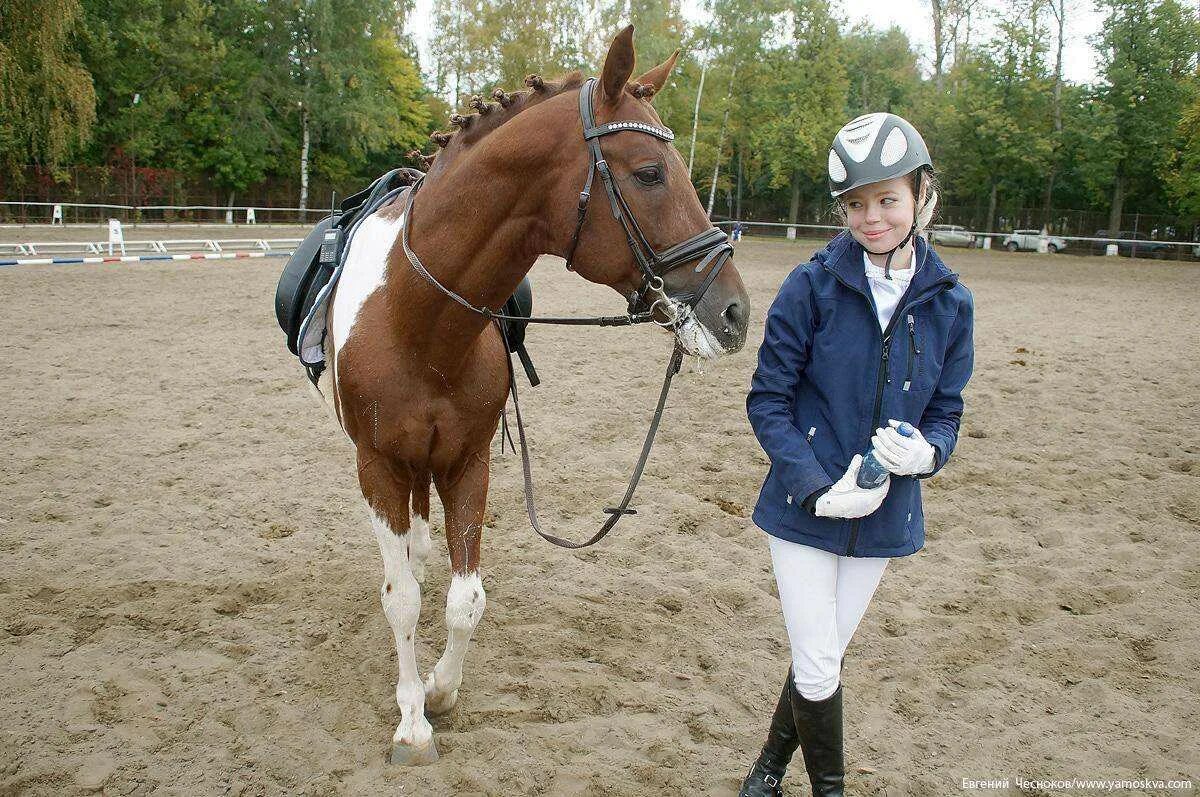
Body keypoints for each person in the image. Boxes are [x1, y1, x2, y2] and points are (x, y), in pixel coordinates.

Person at [738, 112, 976, 796]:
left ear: (922, 195)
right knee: (818, 662)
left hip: (883, 511)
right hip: (803, 508)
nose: (871, 218)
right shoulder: (808, 287)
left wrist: (926, 453)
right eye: (856, 204)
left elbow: (947, 412)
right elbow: (768, 401)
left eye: (887, 200)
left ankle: (767, 769)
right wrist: (815, 486)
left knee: (825, 656)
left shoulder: (952, 304)